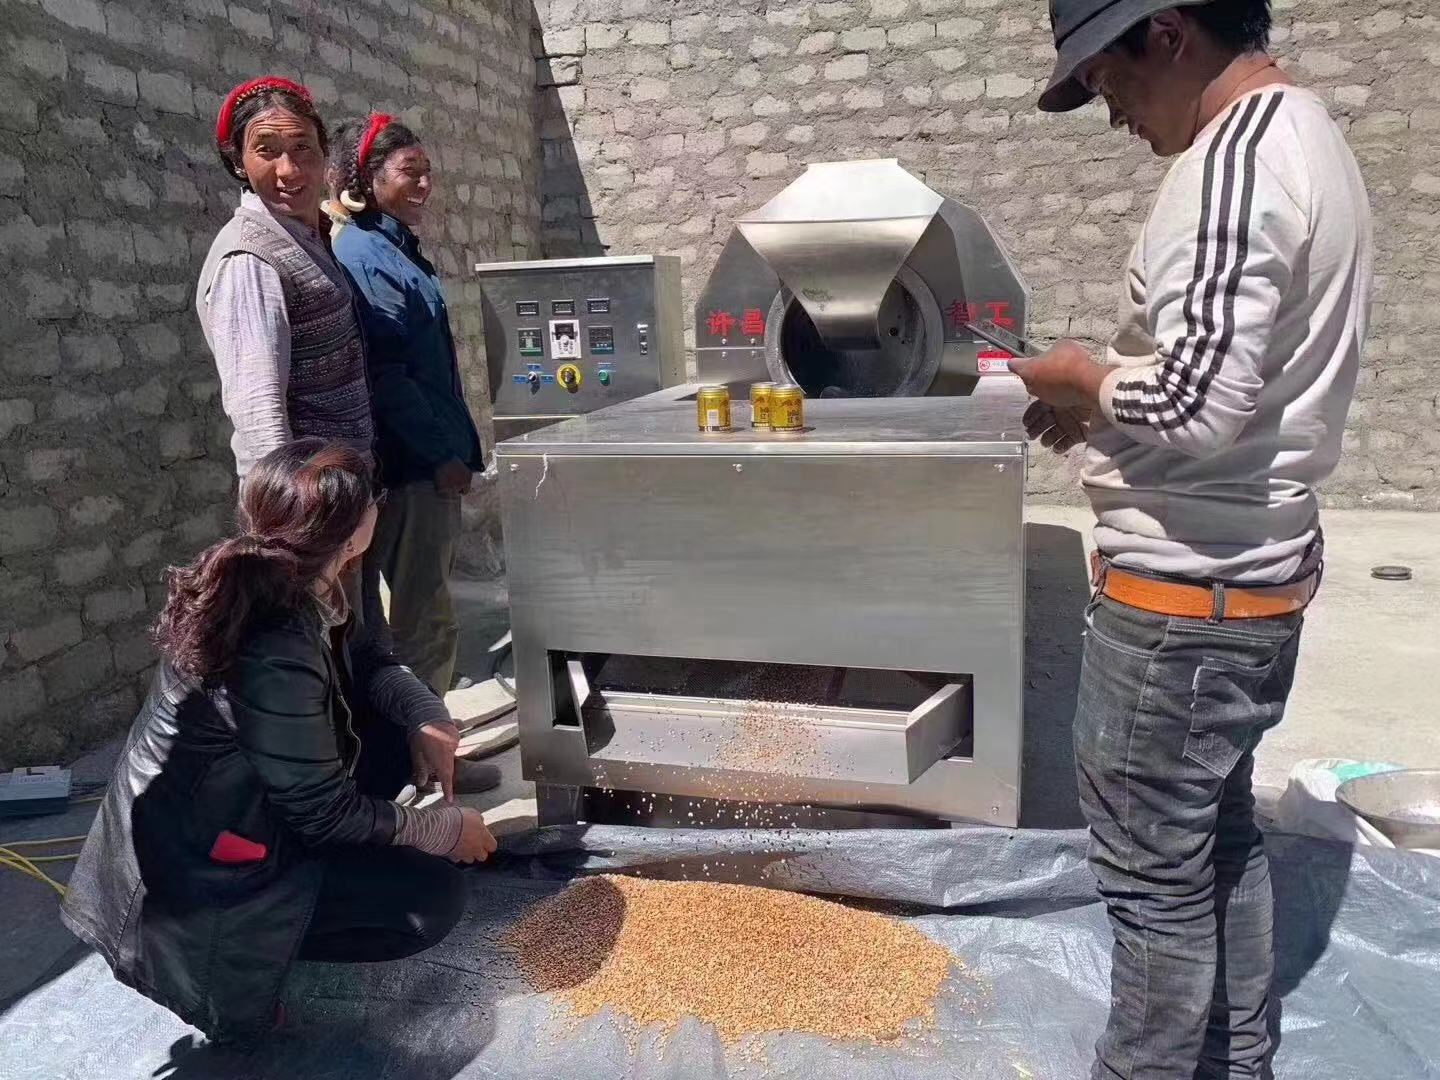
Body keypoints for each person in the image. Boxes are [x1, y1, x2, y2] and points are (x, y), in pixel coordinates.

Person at [1014, 2, 1373, 1077]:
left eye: (1108, 80)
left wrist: (1084, 377)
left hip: (1181, 611)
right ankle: (1233, 1060)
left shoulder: (1234, 164)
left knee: (1151, 892)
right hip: (1251, 578)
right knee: (1216, 846)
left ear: (1167, 33)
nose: (1113, 113)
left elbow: (1198, 402)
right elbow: (1239, 387)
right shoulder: (1305, 134)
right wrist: (1100, 411)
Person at [60, 441, 499, 1042]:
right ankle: (244, 970)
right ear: (352, 531)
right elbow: (321, 813)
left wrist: (423, 712)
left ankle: (335, 872)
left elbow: (369, 654)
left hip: (252, 801)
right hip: (199, 870)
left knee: (394, 737)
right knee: (431, 899)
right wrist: (443, 830)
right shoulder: (273, 640)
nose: (380, 504)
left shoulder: (315, 574)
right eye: (373, 498)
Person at [195, 77, 498, 794]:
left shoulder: (308, 243)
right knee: (319, 672)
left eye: (303, 149)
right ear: (237, 160)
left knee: (359, 654)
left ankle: (393, 785)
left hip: (343, 511)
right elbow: (261, 417)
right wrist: (295, 541)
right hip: (309, 525)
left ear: (325, 157)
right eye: (267, 151)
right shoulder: (250, 261)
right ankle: (344, 815)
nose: (288, 169)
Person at [332, 114, 486, 696]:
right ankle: (427, 739)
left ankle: (416, 731)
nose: (424, 184)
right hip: (413, 469)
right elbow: (388, 374)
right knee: (424, 618)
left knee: (419, 611)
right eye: (408, 171)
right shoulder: (367, 255)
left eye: (427, 171)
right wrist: (440, 454)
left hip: (424, 460)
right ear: (368, 180)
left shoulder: (394, 250)